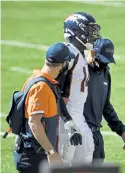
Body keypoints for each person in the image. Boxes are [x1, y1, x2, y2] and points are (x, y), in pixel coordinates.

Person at [14, 43, 82, 173]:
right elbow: (34, 122)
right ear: (63, 63)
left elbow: (59, 106)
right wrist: (51, 152)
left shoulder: (47, 81)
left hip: (39, 152)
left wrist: (70, 124)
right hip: (33, 155)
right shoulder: (41, 87)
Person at [57, 12, 101, 165]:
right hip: (64, 115)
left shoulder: (80, 54)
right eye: (88, 31)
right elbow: (53, 87)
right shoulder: (66, 52)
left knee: (86, 156)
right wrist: (66, 119)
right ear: (76, 31)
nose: (92, 35)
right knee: (64, 159)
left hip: (78, 114)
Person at [84, 38, 125, 164]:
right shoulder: (80, 72)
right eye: (102, 60)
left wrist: (121, 129)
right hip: (81, 136)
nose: (104, 64)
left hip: (96, 137)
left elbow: (106, 106)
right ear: (93, 53)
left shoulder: (105, 73)